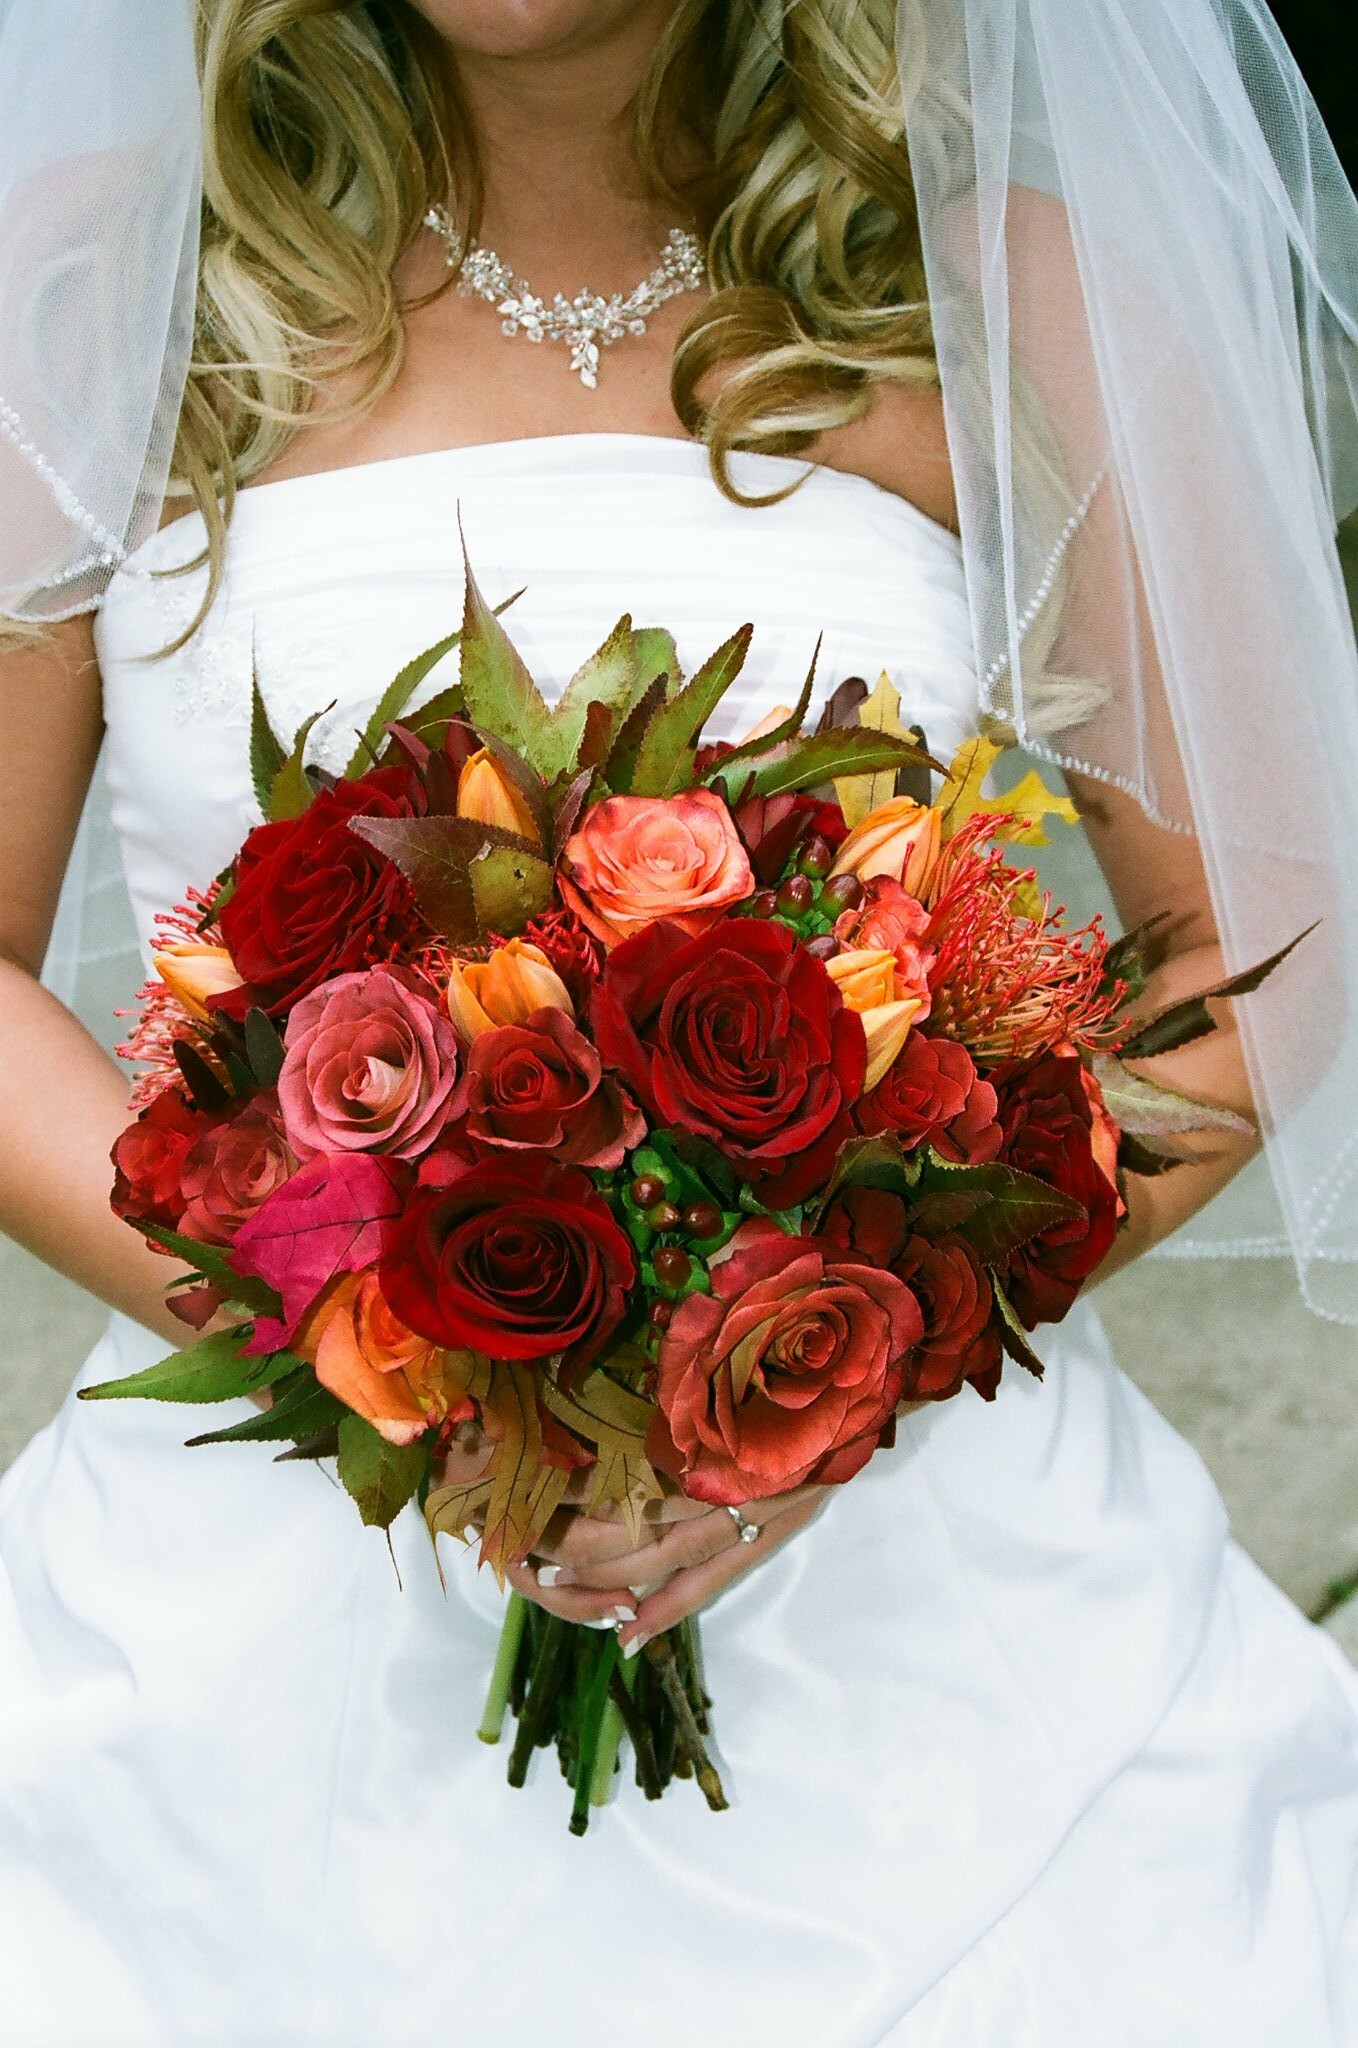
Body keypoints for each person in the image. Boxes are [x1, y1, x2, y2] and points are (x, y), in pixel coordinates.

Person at [1, 2, 1357, 2042]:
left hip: (920, 1631)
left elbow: (1277, 947)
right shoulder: (116, 280)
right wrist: (386, 1346)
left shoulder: (1005, 293)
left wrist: (837, 1347)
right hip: (247, 1650)